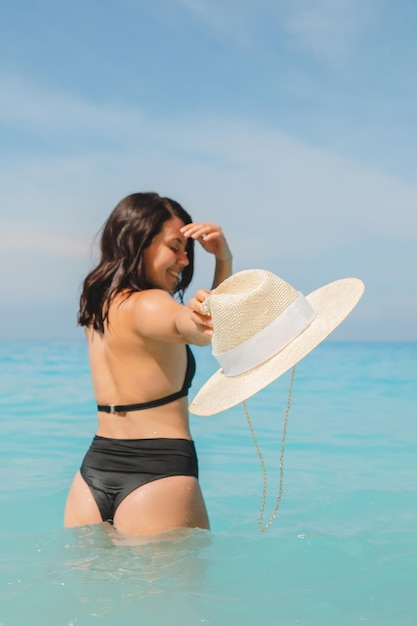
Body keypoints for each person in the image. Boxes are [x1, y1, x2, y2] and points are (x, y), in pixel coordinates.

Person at [64, 192, 232, 536]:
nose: (185, 261)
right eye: (175, 247)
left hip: (91, 473)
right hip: (158, 472)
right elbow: (199, 330)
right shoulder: (152, 303)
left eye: (188, 250)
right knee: (177, 592)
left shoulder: (98, 305)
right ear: (138, 242)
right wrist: (224, 261)